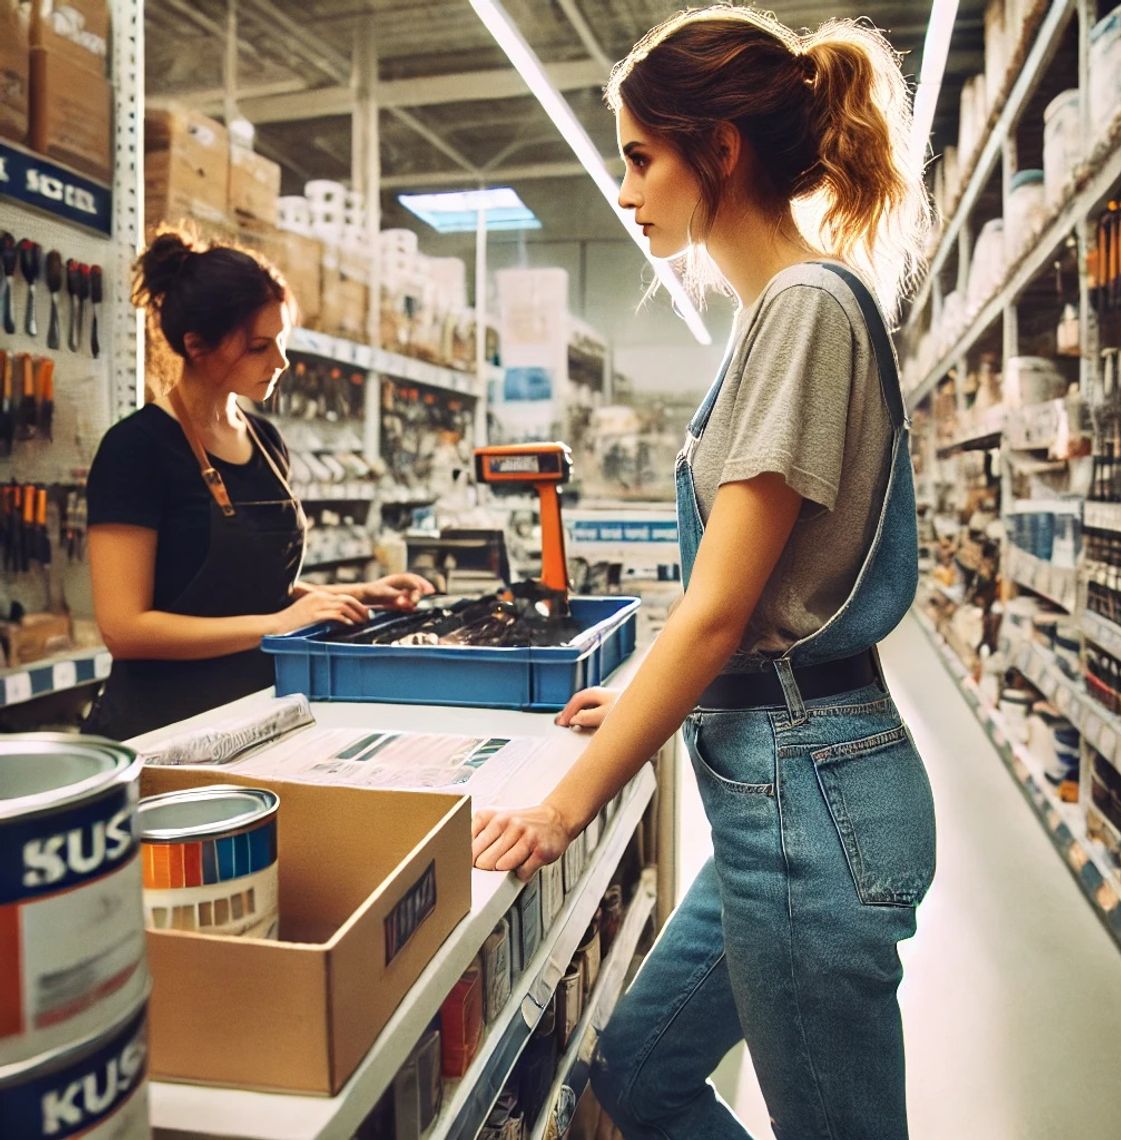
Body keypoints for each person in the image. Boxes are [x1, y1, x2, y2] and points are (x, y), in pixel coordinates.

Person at [470, 8, 936, 1139]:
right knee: (633, 1077)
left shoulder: (805, 310)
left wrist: (563, 810)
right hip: (775, 787)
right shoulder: (783, 315)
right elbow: (760, 595)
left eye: (640, 157)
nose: (625, 192)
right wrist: (637, 696)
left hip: (805, 800)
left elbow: (723, 610)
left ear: (718, 149)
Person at [83, 231, 433, 740]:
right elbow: (125, 629)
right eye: (258, 347)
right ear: (196, 345)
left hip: (256, 712)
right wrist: (279, 624)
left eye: (281, 341)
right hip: (163, 732)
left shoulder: (265, 441)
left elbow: (246, 588)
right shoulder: (136, 450)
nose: (281, 363)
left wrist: (350, 596)